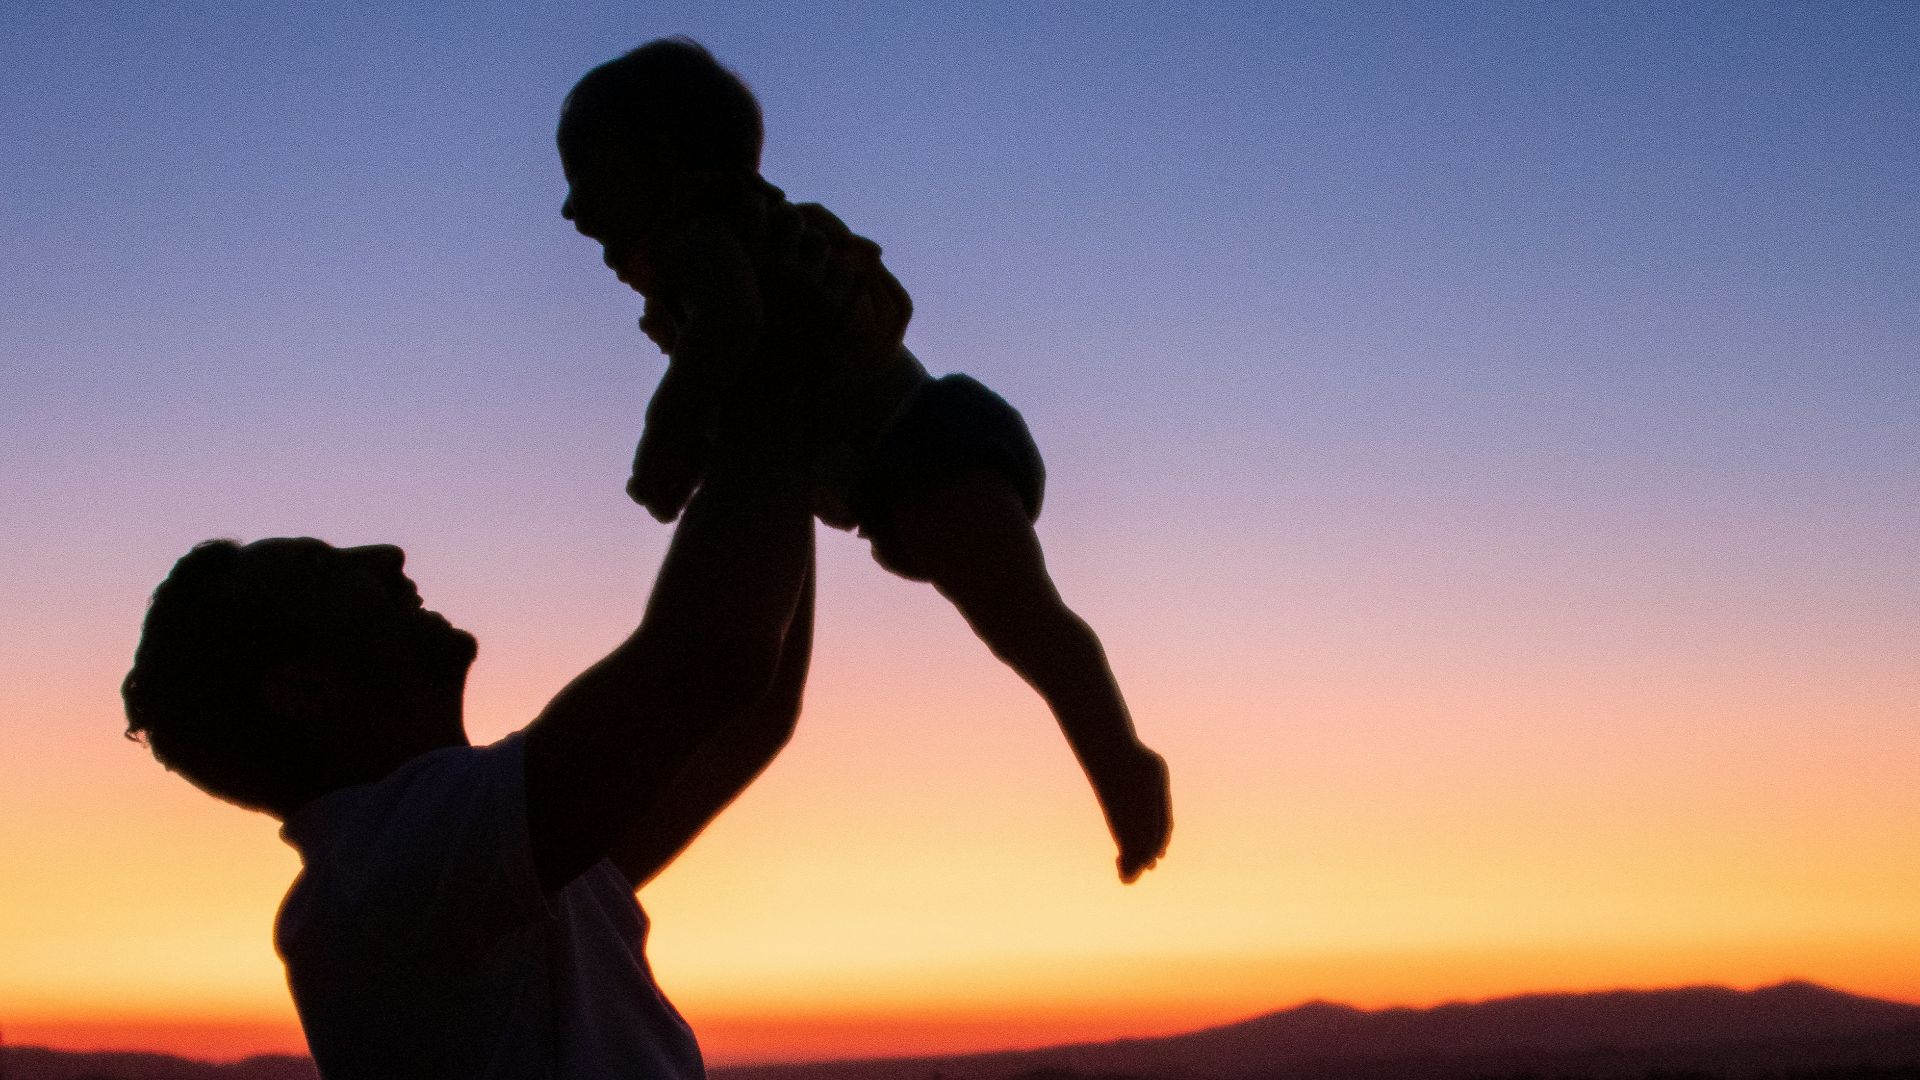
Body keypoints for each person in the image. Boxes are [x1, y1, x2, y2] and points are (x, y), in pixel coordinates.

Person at [120, 224, 886, 1077]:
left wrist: (767, 432)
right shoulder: (387, 873)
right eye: (325, 568)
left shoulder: (483, 861)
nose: (387, 556)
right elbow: (712, 659)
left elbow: (745, 705)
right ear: (303, 686)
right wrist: (775, 363)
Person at [557, 37, 1173, 882]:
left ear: (658, 160)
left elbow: (729, 332)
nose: (568, 208)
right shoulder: (726, 235)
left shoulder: (699, 236)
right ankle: (1116, 755)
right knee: (1001, 628)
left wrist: (667, 438)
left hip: (922, 445)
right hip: (886, 461)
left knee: (1025, 624)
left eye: (584, 174)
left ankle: (1121, 760)